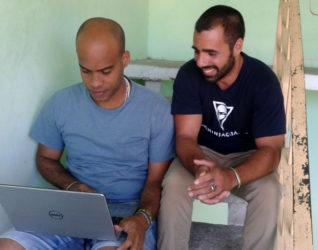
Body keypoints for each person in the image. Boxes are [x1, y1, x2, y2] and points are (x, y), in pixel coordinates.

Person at [0, 17, 174, 250]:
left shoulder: (156, 111)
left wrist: (142, 219)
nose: (95, 83)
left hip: (127, 216)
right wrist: (73, 186)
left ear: (125, 60)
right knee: (8, 246)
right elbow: (45, 159)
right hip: (71, 211)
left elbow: (155, 182)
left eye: (105, 71)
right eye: (85, 71)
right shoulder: (61, 103)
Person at [158, 5, 286, 250]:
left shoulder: (263, 81)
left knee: (269, 191)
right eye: (196, 51)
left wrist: (230, 177)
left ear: (237, 46)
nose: (201, 61)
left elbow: (271, 151)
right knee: (174, 183)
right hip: (201, 153)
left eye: (211, 53)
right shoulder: (189, 74)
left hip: (248, 157)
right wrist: (202, 172)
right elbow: (185, 137)